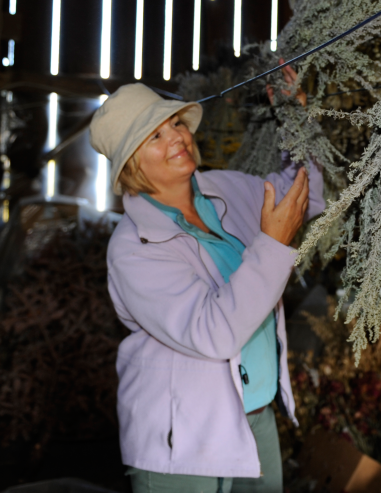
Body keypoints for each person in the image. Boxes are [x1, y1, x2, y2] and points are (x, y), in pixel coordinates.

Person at [89, 66, 323, 493]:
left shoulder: (224, 189)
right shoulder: (133, 249)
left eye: (176, 123)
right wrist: (273, 244)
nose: (177, 136)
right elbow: (213, 333)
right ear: (130, 164)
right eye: (155, 136)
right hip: (184, 441)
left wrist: (298, 119)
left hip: (255, 415)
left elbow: (301, 194)